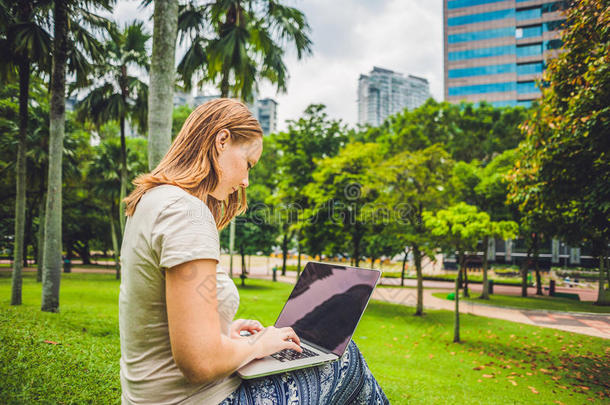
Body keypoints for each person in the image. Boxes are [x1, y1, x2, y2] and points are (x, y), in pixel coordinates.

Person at [119, 98, 389, 404]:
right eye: (248, 164)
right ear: (222, 140)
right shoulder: (187, 212)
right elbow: (200, 362)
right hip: (199, 399)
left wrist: (223, 332)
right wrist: (260, 344)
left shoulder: (154, 199)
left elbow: (164, 319)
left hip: (151, 397)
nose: (246, 180)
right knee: (345, 358)